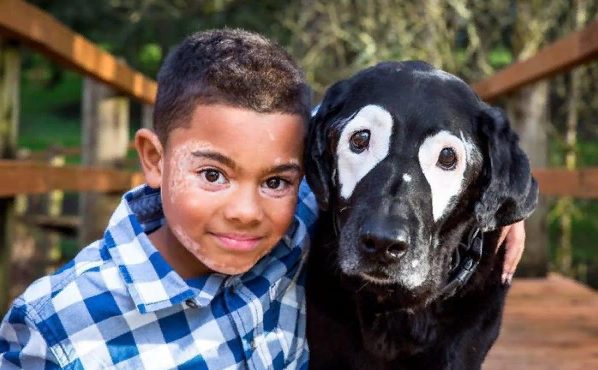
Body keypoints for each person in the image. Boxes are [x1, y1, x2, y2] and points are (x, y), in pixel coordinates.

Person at [0, 28, 526, 369]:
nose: (246, 211)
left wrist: (498, 208)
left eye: (276, 180)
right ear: (154, 160)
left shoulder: (290, 230)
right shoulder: (55, 325)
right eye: (212, 173)